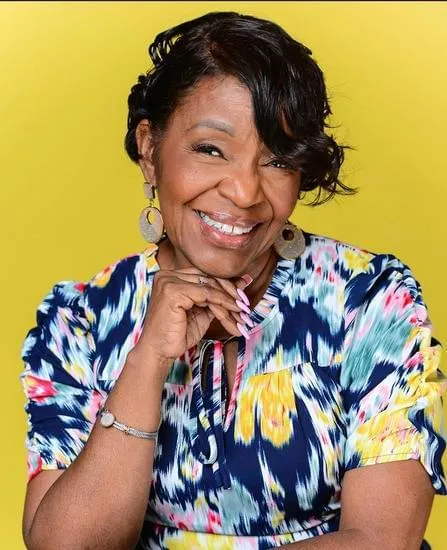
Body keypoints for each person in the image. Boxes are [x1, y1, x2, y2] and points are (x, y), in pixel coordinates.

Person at [20, 11, 446, 550]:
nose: (245, 193)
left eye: (276, 160)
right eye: (211, 150)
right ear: (149, 150)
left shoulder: (368, 301)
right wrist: (147, 360)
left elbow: (382, 540)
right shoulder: (81, 320)